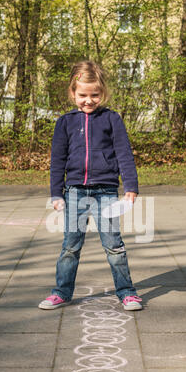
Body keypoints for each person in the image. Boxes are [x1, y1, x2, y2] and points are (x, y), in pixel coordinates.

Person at [38, 60, 142, 311]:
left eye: (94, 95)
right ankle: (61, 292)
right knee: (70, 247)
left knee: (114, 246)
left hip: (106, 191)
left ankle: (127, 292)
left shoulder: (112, 119)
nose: (88, 100)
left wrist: (131, 186)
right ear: (73, 93)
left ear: (102, 93)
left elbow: (124, 153)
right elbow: (57, 160)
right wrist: (56, 192)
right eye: (83, 95)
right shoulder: (65, 122)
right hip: (74, 192)